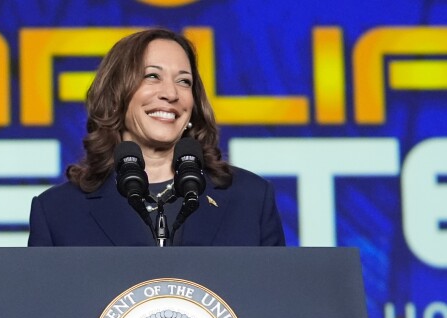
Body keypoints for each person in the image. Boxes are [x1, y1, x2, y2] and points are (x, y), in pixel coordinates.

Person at [28, 28, 285, 246]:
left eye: (184, 81)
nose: (171, 93)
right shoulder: (58, 211)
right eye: (152, 76)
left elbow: (274, 299)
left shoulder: (250, 198)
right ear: (116, 95)